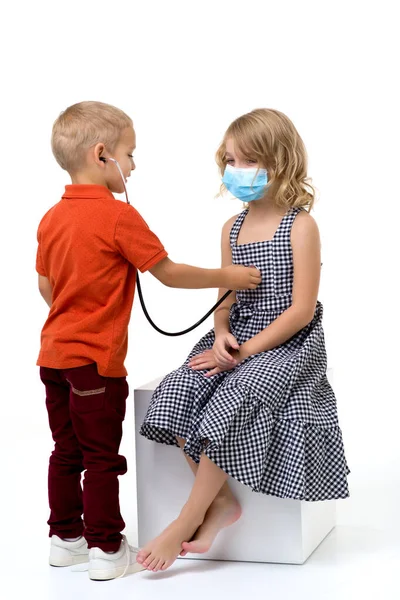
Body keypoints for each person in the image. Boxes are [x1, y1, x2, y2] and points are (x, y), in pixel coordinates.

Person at [36, 101, 261, 581]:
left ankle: (65, 540)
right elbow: (169, 274)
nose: (134, 165)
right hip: (95, 363)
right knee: (100, 457)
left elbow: (46, 288)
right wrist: (230, 276)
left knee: (65, 451)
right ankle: (105, 548)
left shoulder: (52, 217)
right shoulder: (118, 218)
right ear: (103, 155)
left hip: (53, 358)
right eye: (130, 154)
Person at [138, 108, 350, 573]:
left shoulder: (301, 226)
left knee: (238, 393)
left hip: (289, 342)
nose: (237, 171)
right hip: (239, 335)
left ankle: (186, 519)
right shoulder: (231, 228)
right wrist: (220, 335)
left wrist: (247, 354)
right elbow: (225, 300)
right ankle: (221, 504)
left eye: (248, 160)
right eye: (230, 160)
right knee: (176, 391)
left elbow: (301, 310)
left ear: (279, 161)